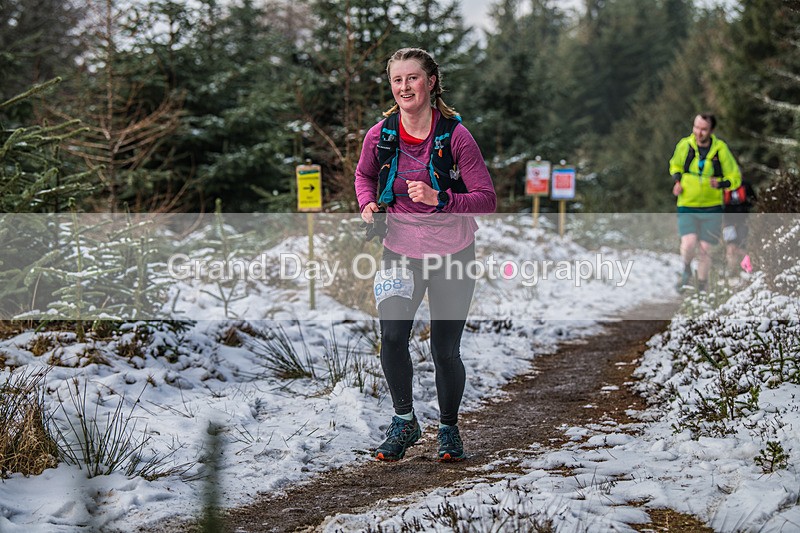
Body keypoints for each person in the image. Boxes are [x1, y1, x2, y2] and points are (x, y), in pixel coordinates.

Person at [354, 47, 496, 462]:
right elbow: (364, 175)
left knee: (444, 349)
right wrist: (367, 205)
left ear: (430, 82)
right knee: (393, 337)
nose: (404, 87)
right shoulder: (380, 135)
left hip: (453, 253)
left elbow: (486, 198)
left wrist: (442, 198)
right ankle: (404, 422)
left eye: (412, 78)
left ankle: (449, 430)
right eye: (397, 80)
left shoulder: (455, 136)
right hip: (398, 251)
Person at [670, 113, 741, 292]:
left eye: (703, 129)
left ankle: (701, 286)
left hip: (712, 207)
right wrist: (677, 181)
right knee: (689, 244)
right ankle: (686, 268)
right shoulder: (684, 145)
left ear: (711, 130)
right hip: (687, 204)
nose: (698, 133)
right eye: (696, 127)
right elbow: (674, 165)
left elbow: (735, 177)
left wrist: (721, 183)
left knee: (705, 248)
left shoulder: (720, 149)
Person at [723, 179, 756, 274]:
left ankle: (747, 269)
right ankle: (732, 270)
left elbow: (753, 200)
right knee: (730, 247)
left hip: (743, 220)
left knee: (742, 246)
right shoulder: (723, 185)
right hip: (728, 222)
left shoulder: (746, 185)